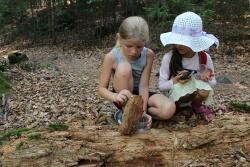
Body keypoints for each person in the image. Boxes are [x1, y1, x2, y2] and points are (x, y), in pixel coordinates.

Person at [98, 16, 176, 128]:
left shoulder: (148, 55)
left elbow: (144, 86)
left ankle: (138, 116)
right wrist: (115, 96)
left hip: (140, 95)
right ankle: (125, 112)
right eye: (129, 46)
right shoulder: (111, 57)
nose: (134, 51)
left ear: (145, 42)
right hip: (123, 95)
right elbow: (101, 89)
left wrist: (142, 111)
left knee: (169, 109)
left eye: (139, 46)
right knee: (125, 67)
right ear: (119, 38)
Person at [159, 12, 219, 122]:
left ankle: (196, 106)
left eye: (184, 42)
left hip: (196, 95)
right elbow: (161, 86)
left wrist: (206, 79)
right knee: (185, 90)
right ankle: (178, 109)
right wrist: (174, 81)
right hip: (175, 96)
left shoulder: (204, 58)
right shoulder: (169, 58)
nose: (179, 45)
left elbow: (213, 83)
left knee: (203, 91)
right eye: (177, 41)